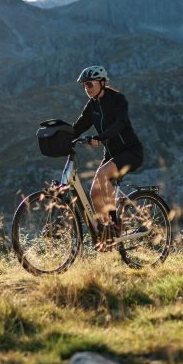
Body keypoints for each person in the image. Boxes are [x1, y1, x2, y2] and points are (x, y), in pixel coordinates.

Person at [71, 65, 144, 249]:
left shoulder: (118, 100)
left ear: (102, 83)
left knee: (103, 175)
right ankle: (105, 234)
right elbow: (78, 127)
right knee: (95, 191)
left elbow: (120, 123)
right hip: (111, 154)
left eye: (89, 84)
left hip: (130, 152)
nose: (86, 89)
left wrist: (101, 137)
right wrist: (61, 137)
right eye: (84, 86)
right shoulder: (92, 105)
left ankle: (114, 225)